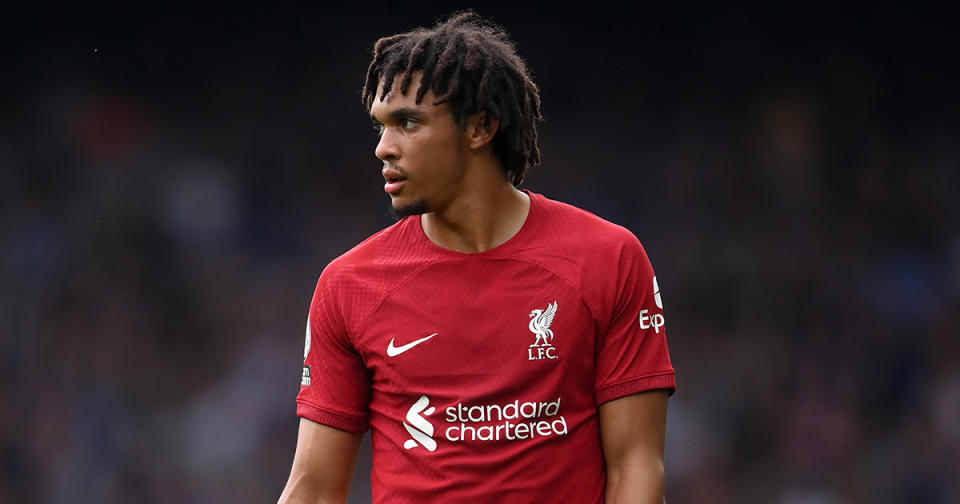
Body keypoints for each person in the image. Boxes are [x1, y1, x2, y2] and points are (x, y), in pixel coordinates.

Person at [278, 11, 675, 504]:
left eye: (408, 122)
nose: (383, 148)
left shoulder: (608, 259)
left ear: (481, 127)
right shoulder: (349, 285)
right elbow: (314, 490)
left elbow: (637, 467)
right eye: (380, 127)